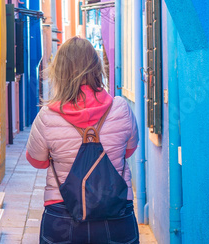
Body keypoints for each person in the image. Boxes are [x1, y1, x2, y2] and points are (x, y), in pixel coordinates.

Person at [26, 36, 140, 244]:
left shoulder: (47, 116)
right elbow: (129, 150)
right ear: (96, 68)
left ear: (59, 72)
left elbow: (37, 161)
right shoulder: (121, 108)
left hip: (63, 213)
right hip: (115, 212)